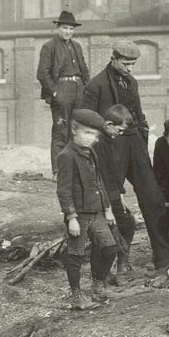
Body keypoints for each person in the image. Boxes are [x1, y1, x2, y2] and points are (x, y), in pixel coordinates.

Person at [80, 42, 169, 286]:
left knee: (154, 197)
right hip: (110, 148)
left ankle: (164, 257)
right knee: (115, 206)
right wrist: (102, 138)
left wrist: (142, 135)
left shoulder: (132, 83)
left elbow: (138, 113)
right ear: (113, 58)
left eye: (133, 64)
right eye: (126, 63)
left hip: (134, 143)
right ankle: (121, 263)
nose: (130, 68)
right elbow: (85, 118)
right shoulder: (96, 85)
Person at [55, 108, 122, 310]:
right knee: (76, 254)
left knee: (110, 249)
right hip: (79, 215)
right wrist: (71, 217)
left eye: (94, 135)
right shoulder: (67, 155)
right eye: (86, 133)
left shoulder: (91, 152)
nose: (90, 138)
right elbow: (63, 190)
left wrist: (108, 208)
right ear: (74, 130)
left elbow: (98, 181)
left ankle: (97, 286)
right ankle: (76, 295)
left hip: (97, 211)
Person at [36, 11, 90, 177]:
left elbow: (84, 69)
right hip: (62, 90)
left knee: (78, 129)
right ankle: (58, 171)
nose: (68, 31)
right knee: (61, 130)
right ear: (58, 28)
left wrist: (86, 87)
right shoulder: (49, 46)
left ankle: (76, 169)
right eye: (65, 28)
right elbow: (42, 73)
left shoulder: (77, 46)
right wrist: (55, 92)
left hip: (78, 89)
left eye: (71, 29)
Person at [98, 105, 140, 281]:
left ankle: (122, 264)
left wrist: (120, 195)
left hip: (113, 192)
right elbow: (101, 176)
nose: (120, 134)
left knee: (128, 223)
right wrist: (107, 205)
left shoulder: (109, 140)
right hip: (103, 195)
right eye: (120, 130)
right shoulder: (99, 143)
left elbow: (113, 172)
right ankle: (107, 272)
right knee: (109, 233)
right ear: (108, 124)